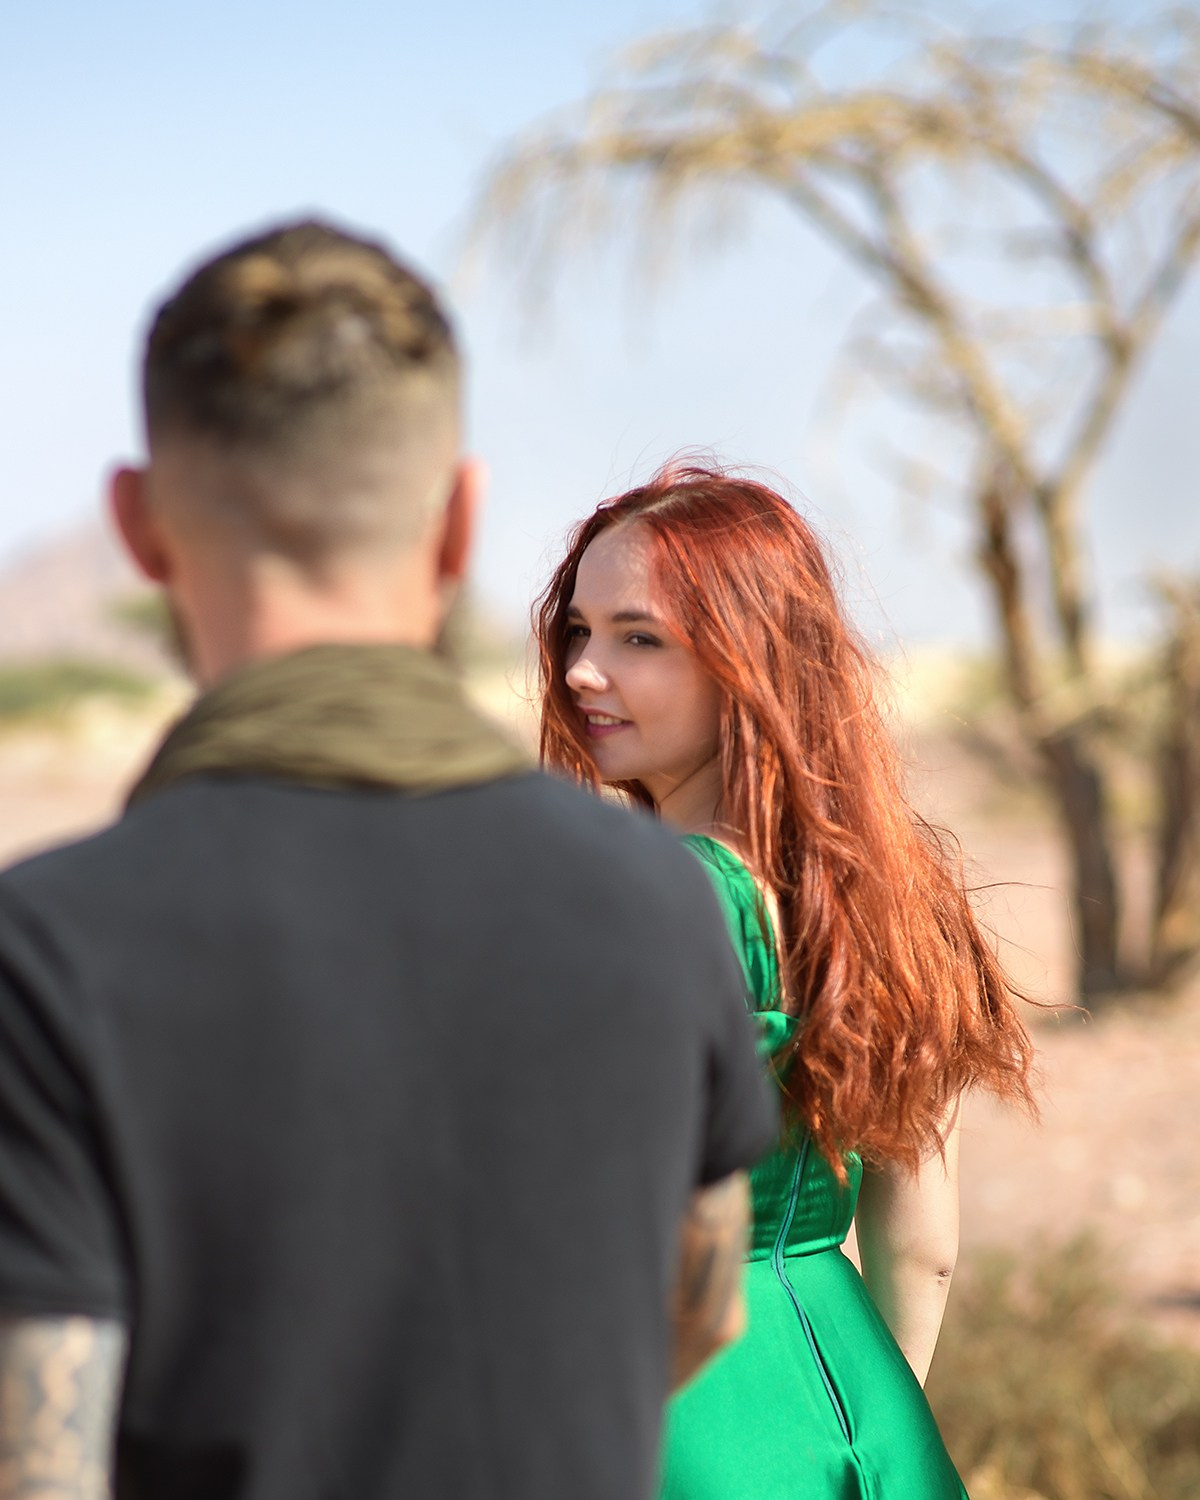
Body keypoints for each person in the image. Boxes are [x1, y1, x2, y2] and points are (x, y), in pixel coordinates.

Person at [0, 225, 778, 1500]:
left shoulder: (45, 949)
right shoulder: (653, 900)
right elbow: (704, 1306)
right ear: (462, 521)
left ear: (138, 526)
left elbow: (39, 1467)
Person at [534, 463, 1038, 1500]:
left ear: (746, 659)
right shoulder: (894, 897)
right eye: (578, 632)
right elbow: (924, 1244)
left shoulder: (640, 902)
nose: (583, 671)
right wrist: (863, 1424)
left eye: (638, 639)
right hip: (863, 1408)